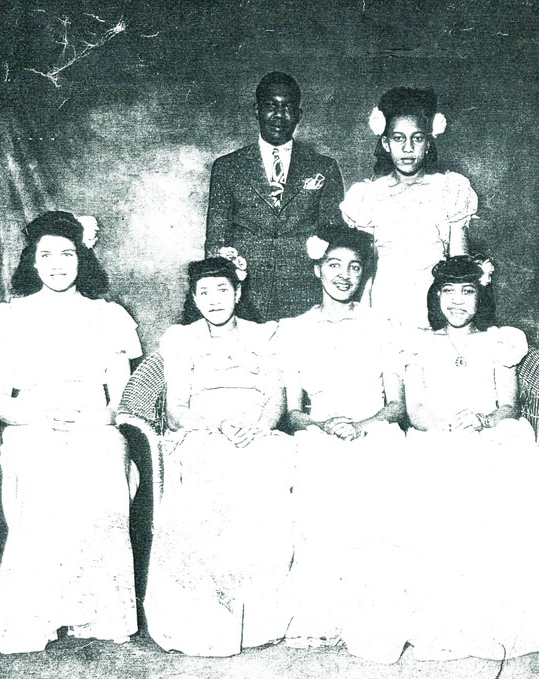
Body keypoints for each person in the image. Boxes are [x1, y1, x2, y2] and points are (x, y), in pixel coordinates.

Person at [400, 255, 539, 661]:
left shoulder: (499, 342)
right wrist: (443, 425)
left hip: (489, 433)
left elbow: (508, 405)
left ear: (481, 297)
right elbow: (415, 408)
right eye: (448, 292)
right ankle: (449, 614)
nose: (457, 302)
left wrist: (481, 418)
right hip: (435, 435)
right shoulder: (417, 343)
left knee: (513, 484)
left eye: (467, 292)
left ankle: (504, 609)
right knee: (434, 489)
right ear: (435, 296)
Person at [0, 211, 140, 653]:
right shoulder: (10, 315)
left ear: (83, 258)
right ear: (32, 262)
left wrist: (90, 420)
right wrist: (40, 417)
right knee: (42, 463)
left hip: (94, 424)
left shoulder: (108, 315)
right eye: (47, 255)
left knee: (102, 456)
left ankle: (96, 610)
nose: (58, 264)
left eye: (67, 253)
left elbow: (121, 399)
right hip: (33, 424)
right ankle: (39, 610)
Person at [143, 256, 295, 657]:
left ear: (238, 292)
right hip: (203, 430)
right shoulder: (182, 339)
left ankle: (256, 619)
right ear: (194, 298)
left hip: (255, 432)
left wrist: (256, 427)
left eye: (222, 290)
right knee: (210, 473)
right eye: (204, 292)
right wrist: (216, 424)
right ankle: (205, 617)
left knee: (265, 469)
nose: (214, 300)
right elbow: (176, 407)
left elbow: (276, 401)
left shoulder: (264, 336)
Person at [275, 224, 407, 662]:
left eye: (354, 266)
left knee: (380, 472)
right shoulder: (294, 330)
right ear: (317, 269)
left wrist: (363, 424)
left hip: (373, 427)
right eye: (334, 265)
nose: (344, 275)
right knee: (318, 474)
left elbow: (397, 404)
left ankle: (374, 615)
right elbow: (291, 410)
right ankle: (324, 613)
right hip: (321, 431)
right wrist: (325, 424)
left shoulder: (381, 325)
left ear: (364, 273)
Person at [205, 71, 345, 322]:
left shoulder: (325, 167)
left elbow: (333, 237)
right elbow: (216, 243)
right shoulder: (227, 167)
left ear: (299, 115)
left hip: (305, 298)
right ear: (256, 110)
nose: (279, 115)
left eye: (288, 107)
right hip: (245, 298)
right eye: (271, 106)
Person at [340, 87, 478, 329]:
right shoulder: (369, 197)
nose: (407, 148)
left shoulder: (450, 191)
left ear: (428, 143)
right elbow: (365, 273)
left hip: (433, 312)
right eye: (398, 138)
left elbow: (460, 269)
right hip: (383, 310)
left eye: (417, 138)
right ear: (385, 143)